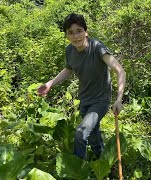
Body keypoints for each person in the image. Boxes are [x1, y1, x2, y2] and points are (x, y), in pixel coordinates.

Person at [37, 13, 126, 160]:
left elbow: (120, 71)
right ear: (67, 36)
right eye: (70, 33)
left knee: (81, 132)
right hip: (84, 99)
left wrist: (119, 99)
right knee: (93, 134)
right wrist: (50, 84)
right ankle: (103, 162)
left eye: (79, 31)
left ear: (86, 31)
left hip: (100, 100)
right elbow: (68, 69)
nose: (75, 36)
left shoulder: (97, 48)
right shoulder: (69, 51)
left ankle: (78, 171)